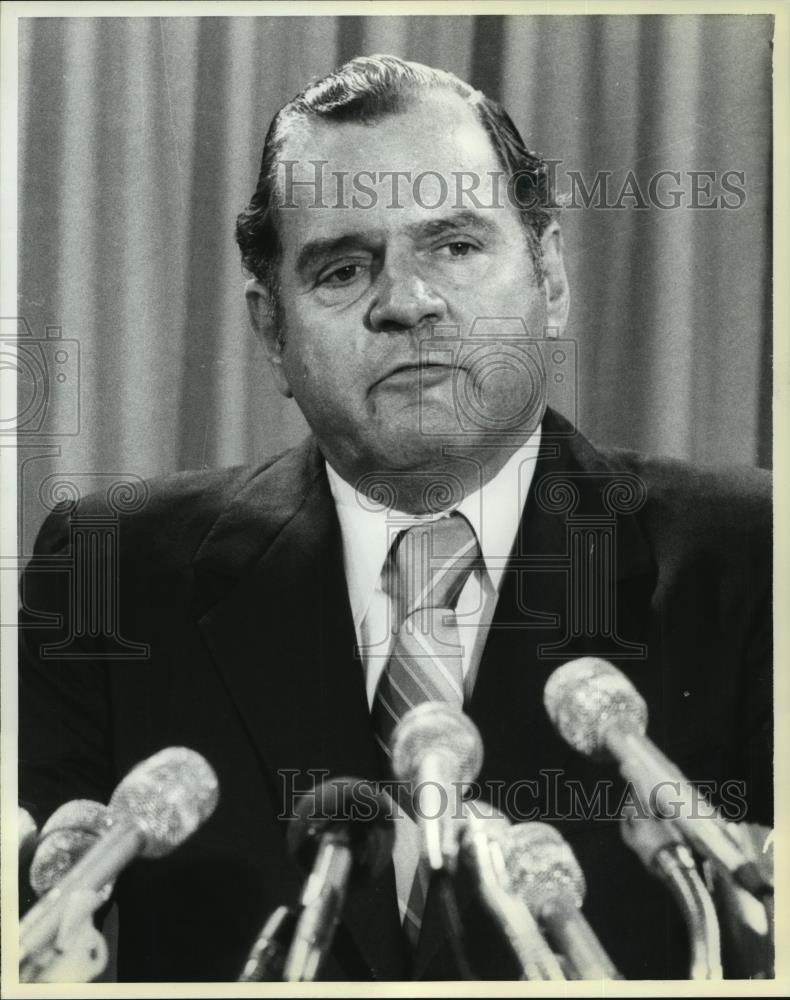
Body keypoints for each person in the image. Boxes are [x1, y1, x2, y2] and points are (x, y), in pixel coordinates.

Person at [18, 55, 771, 982]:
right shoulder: (110, 573)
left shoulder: (757, 558)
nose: (408, 302)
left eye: (455, 246)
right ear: (272, 333)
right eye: (343, 267)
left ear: (551, 277)